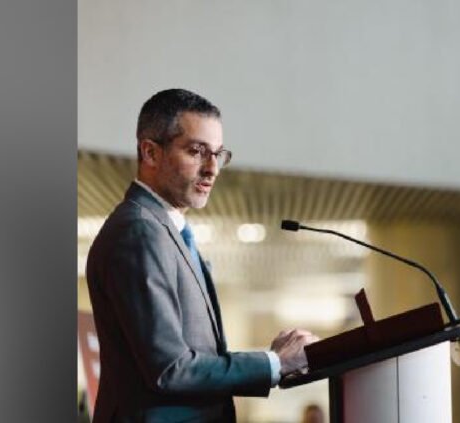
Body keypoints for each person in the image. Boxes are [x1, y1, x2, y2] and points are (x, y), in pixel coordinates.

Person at [86, 88, 319, 422]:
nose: (212, 169)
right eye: (197, 151)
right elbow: (171, 368)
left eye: (218, 154)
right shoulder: (138, 232)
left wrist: (275, 362)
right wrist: (274, 363)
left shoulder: (165, 230)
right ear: (150, 152)